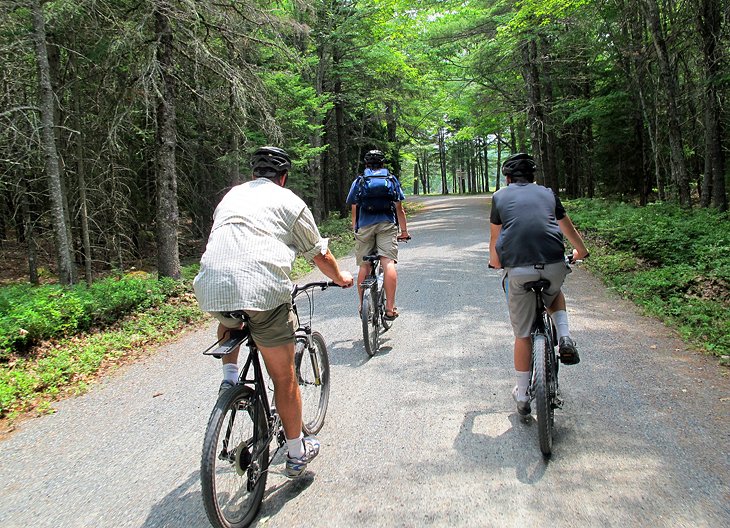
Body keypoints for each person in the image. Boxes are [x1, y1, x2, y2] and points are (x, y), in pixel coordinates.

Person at [193, 146, 354, 478]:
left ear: (253, 175)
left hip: (211, 286)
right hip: (263, 292)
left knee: (231, 317)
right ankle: (296, 453)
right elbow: (318, 254)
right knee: (284, 377)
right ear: (283, 177)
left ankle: (229, 381)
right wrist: (340, 277)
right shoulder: (291, 202)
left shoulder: (231, 197)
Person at [488, 152, 589, 417]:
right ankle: (564, 335)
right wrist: (581, 251)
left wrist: (495, 262)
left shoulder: (499, 197)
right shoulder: (548, 194)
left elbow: (496, 240)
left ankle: (522, 395)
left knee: (522, 335)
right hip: (553, 263)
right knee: (554, 291)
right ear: (534, 177)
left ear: (507, 178)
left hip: (519, 271)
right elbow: (567, 227)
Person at [346, 149, 410, 320]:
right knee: (388, 262)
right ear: (383, 164)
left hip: (365, 226)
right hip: (387, 224)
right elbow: (399, 209)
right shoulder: (390, 179)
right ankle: (390, 308)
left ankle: (362, 307)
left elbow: (354, 208)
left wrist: (356, 229)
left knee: (364, 266)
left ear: (366, 164)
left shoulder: (360, 181)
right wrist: (404, 232)